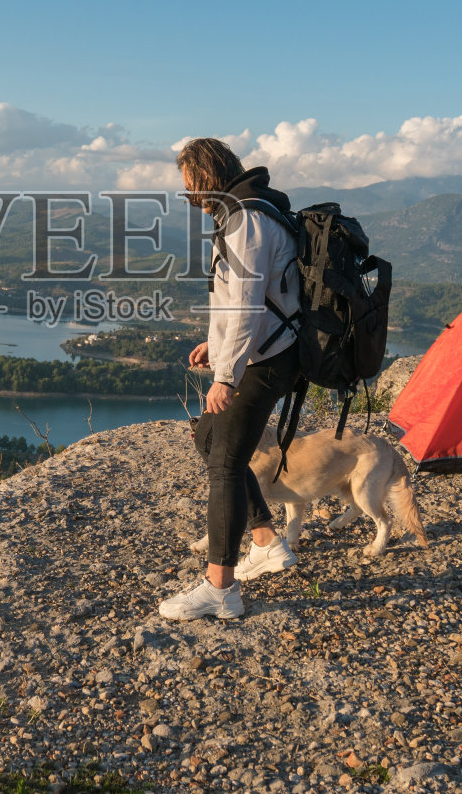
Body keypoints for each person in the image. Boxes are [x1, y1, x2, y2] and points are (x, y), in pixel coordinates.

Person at [158, 138, 302, 621]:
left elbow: (245, 305)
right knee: (209, 439)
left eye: (188, 185)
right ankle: (265, 540)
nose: (189, 196)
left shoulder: (245, 221)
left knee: (224, 464)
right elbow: (238, 300)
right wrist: (214, 345)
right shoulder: (241, 213)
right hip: (256, 354)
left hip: (264, 361)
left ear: (204, 177)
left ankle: (220, 589)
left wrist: (225, 375)